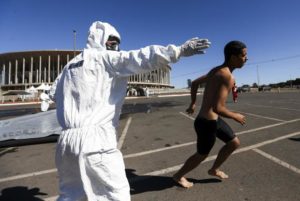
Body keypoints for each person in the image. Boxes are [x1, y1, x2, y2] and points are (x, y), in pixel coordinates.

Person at [49, 21, 211, 201]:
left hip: (65, 143)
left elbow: (53, 93)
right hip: (96, 141)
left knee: (72, 195)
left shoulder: (69, 66)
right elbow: (140, 58)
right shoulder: (104, 59)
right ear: (101, 40)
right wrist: (178, 51)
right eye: (112, 41)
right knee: (115, 195)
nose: (115, 46)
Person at [173, 40, 247, 188]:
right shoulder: (226, 76)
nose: (246, 58)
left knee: (234, 143)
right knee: (201, 154)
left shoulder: (216, 70)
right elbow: (218, 107)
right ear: (233, 57)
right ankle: (178, 176)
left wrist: (193, 103)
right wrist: (235, 115)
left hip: (212, 120)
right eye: (244, 55)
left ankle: (214, 169)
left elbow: (194, 83)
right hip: (207, 123)